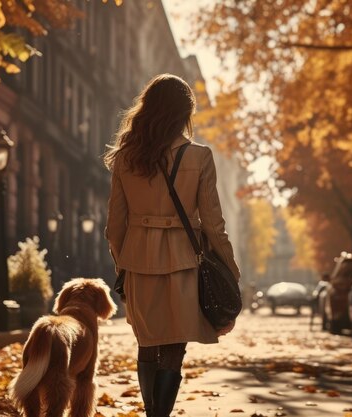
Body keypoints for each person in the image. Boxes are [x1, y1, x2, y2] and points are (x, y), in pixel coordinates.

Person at [104, 74, 240, 417]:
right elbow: (213, 224)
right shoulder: (199, 157)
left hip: (137, 261)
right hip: (183, 261)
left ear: (147, 110)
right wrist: (230, 269)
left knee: (147, 345)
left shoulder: (125, 158)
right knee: (173, 349)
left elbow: (114, 226)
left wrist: (123, 266)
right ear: (184, 113)